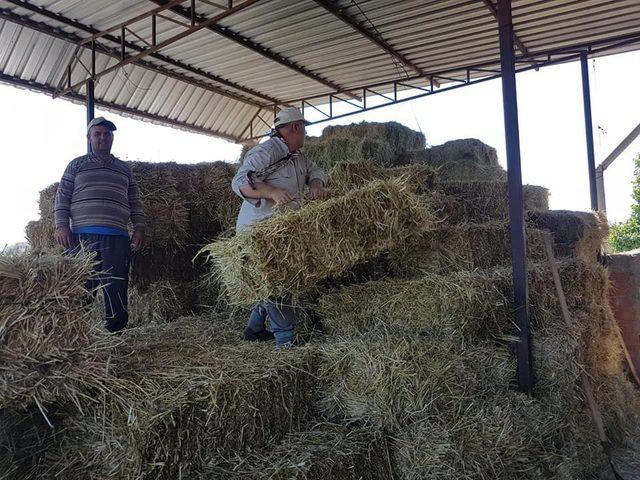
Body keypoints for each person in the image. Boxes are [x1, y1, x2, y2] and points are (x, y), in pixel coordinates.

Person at [231, 107, 327, 347]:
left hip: (283, 232)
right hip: (260, 232)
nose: (305, 133)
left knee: (274, 281)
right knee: (277, 282)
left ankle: (253, 329)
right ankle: (286, 340)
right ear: (295, 127)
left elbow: (316, 171)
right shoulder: (266, 151)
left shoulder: (298, 157)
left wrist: (315, 183)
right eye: (304, 128)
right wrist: (271, 191)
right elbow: (241, 182)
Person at [54, 117, 147, 333]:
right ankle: (76, 333)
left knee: (116, 287)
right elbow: (62, 196)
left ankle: (116, 333)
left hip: (117, 237)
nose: (103, 138)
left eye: (107, 134)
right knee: (81, 287)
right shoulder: (76, 164)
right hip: (81, 238)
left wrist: (140, 228)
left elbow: (135, 201)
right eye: (98, 134)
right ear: (89, 138)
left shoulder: (124, 169)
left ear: (112, 138)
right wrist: (61, 225)